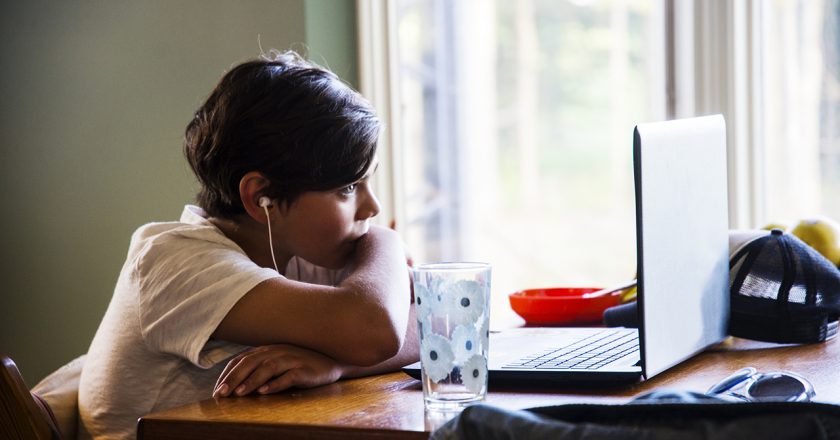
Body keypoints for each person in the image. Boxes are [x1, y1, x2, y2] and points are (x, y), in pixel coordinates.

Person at [77, 50, 419, 440]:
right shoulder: (171, 262)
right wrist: (387, 240)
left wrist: (337, 365)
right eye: (347, 188)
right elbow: (374, 328)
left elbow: (442, 323)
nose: (371, 208)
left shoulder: (297, 247)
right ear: (261, 198)